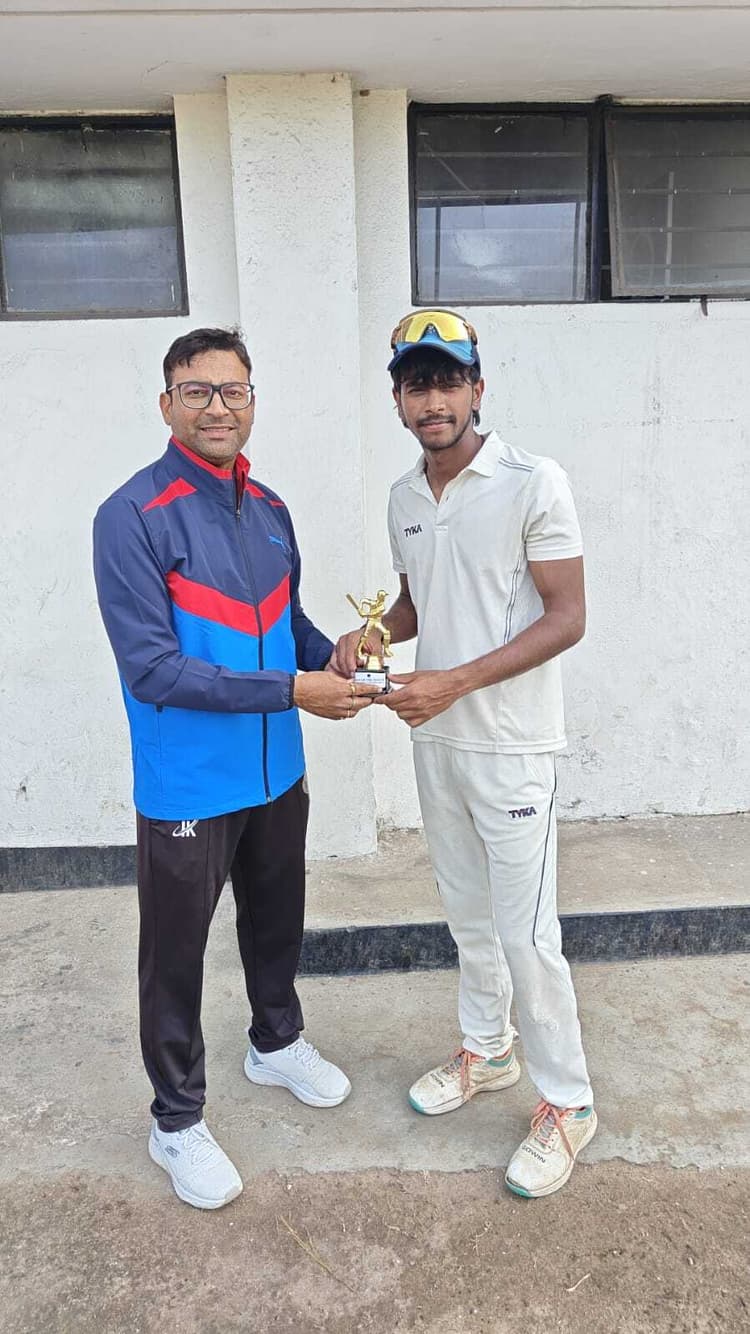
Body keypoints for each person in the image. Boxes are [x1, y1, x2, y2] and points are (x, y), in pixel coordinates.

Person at [93, 327, 377, 1211]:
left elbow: (288, 625)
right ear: (167, 403)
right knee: (175, 957)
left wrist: (337, 654)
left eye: (234, 390)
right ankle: (176, 1119)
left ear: (253, 401)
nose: (218, 407)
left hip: (276, 771)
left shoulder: (272, 508)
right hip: (188, 780)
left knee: (277, 922)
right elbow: (154, 669)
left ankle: (275, 1042)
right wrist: (294, 689)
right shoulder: (131, 516)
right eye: (198, 390)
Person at [333, 310, 596, 1199]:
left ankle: (570, 1103)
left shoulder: (532, 481)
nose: (433, 400)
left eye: (448, 381)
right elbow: (420, 601)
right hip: (434, 734)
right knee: (469, 918)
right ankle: (489, 1052)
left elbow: (568, 617)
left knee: (528, 934)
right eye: (417, 384)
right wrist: (376, 632)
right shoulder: (405, 497)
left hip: (511, 743)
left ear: (477, 389)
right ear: (398, 400)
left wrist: (456, 680)